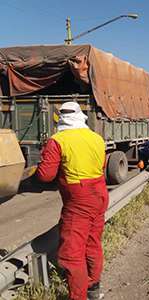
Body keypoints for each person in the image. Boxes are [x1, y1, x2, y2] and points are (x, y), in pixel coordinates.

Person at [36, 102, 108, 300]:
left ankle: (78, 296)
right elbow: (101, 165)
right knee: (93, 242)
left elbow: (45, 176)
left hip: (79, 200)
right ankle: (93, 285)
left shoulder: (57, 140)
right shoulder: (96, 138)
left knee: (71, 253)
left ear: (60, 118)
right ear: (80, 116)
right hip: (100, 194)